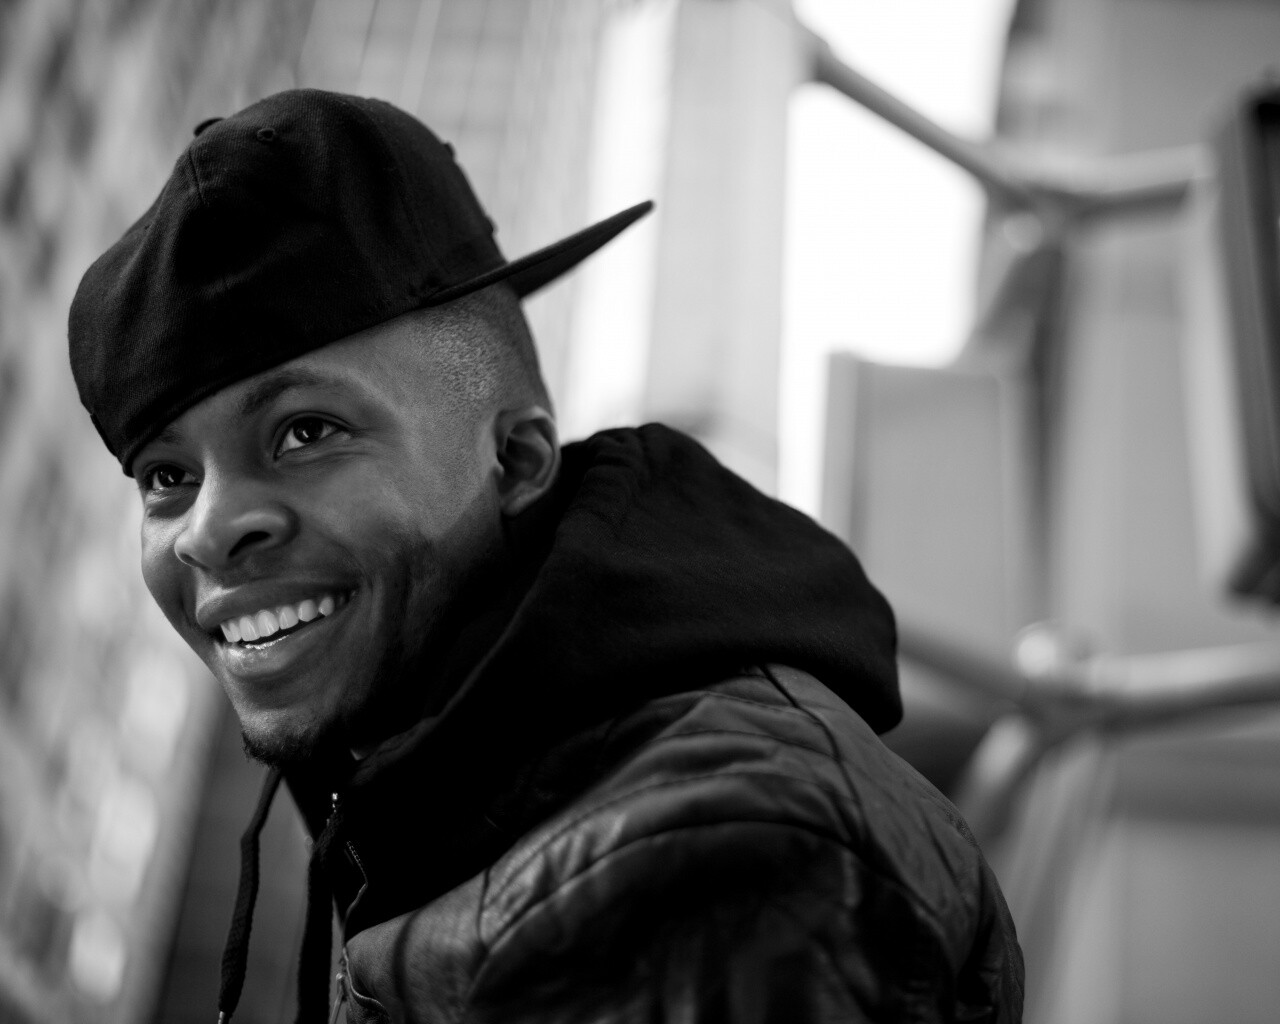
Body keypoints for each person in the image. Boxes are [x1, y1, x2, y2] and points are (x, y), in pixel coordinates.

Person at [69, 88, 1023, 1023]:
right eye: (166, 477)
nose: (206, 530)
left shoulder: (701, 864)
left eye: (306, 431)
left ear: (518, 459)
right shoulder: (454, 805)